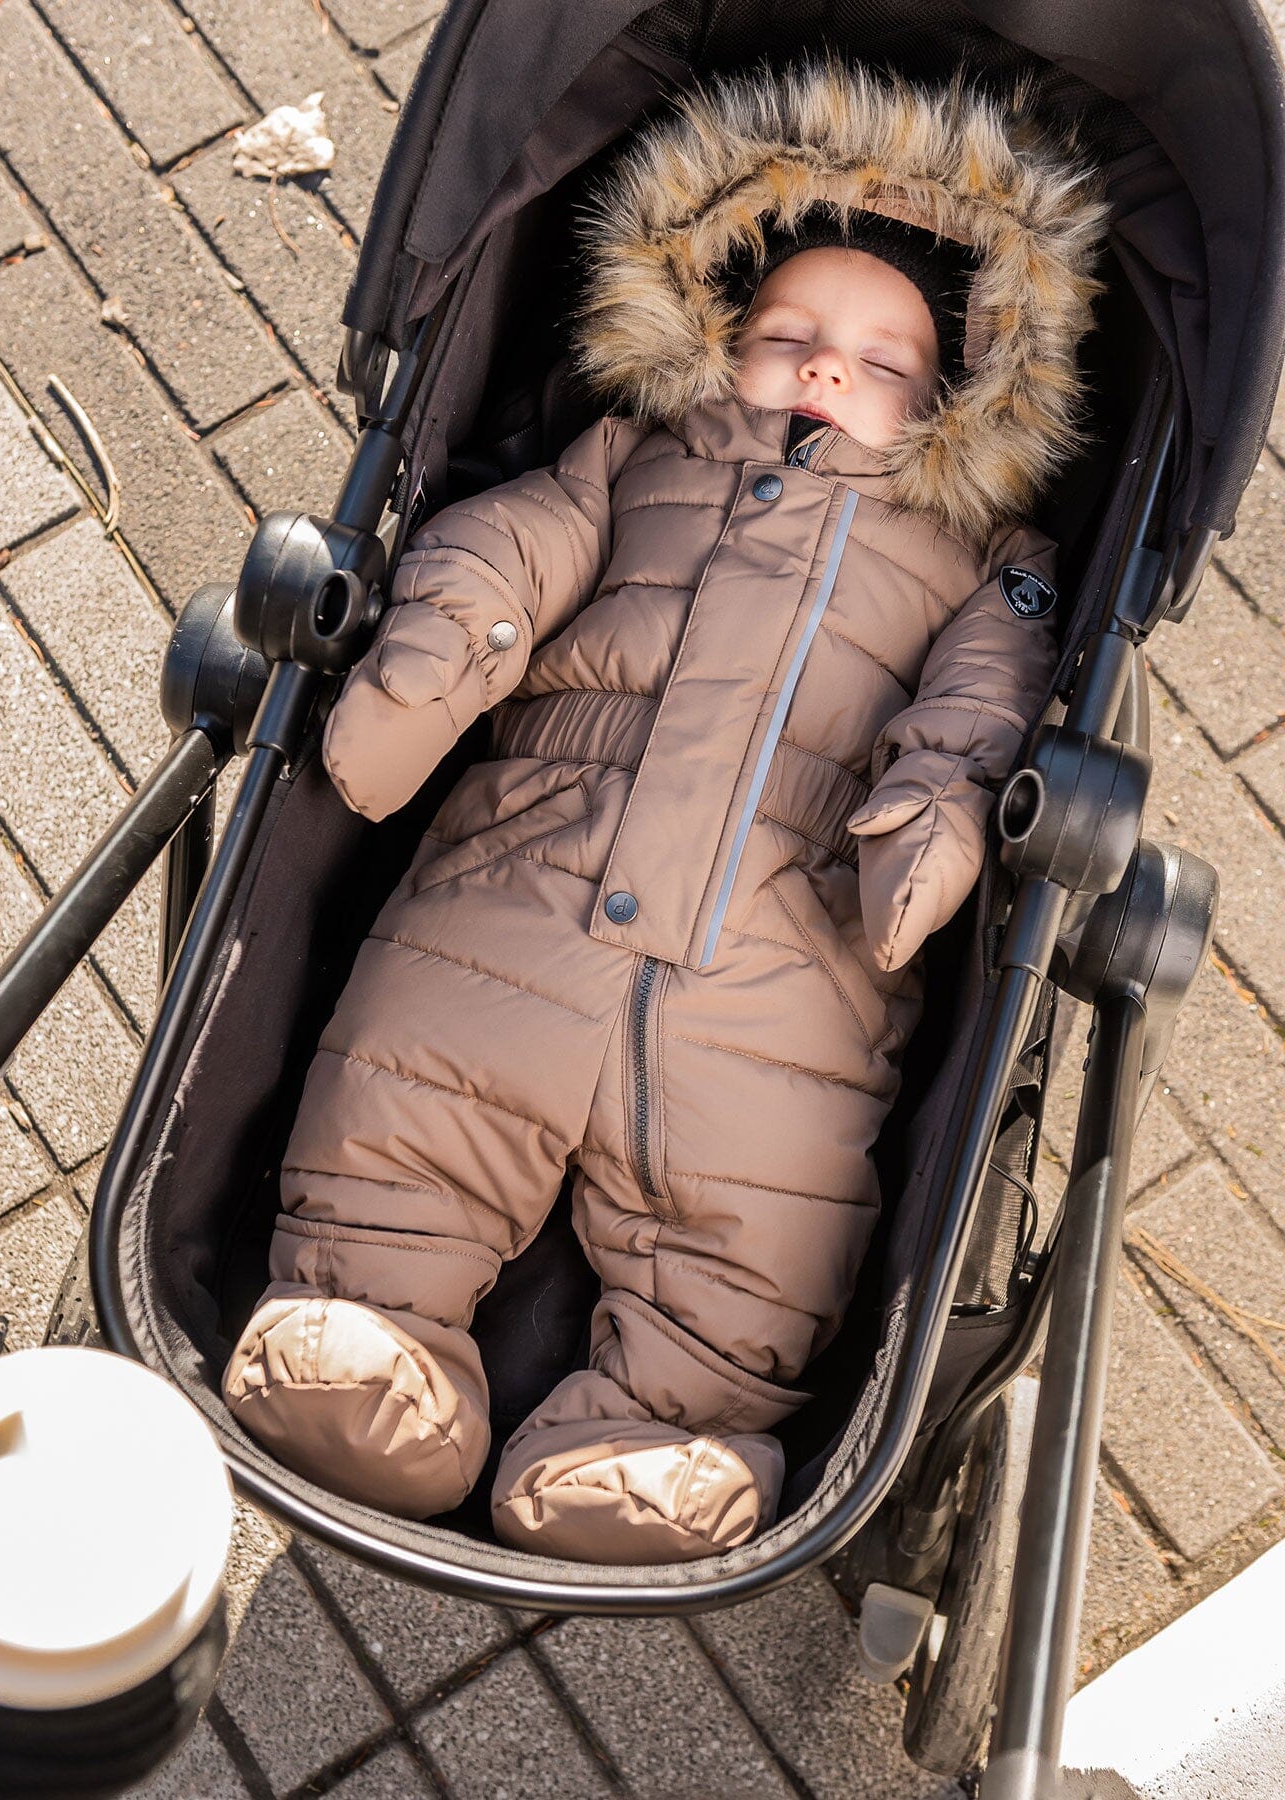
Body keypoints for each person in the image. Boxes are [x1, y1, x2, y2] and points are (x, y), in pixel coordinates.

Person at [220, 58, 1108, 1562]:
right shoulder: (633, 459)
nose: (831, 371)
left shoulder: (979, 555)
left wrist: (932, 819)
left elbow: (983, 712)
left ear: (957, 404)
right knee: (409, 1097)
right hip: (520, 887)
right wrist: (435, 654)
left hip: (788, 966)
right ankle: (365, 1324)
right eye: (789, 338)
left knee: (765, 1215)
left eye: (887, 367)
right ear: (711, 340)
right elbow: (503, 548)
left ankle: (666, 1435)